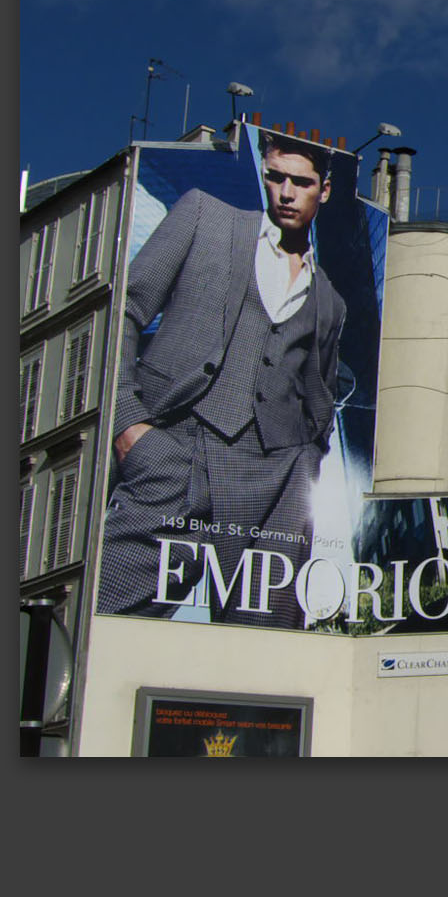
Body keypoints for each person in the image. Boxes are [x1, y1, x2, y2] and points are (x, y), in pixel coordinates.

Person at [96, 130, 346, 628]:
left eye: (302, 181)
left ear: (325, 190)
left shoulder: (330, 300)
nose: (286, 192)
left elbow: (321, 393)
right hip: (170, 453)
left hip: (274, 482)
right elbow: (124, 306)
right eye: (275, 177)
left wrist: (307, 463)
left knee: (260, 656)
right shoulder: (205, 216)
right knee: (97, 619)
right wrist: (128, 423)